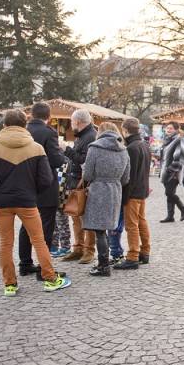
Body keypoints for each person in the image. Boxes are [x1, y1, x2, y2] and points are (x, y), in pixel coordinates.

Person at [0, 109, 71, 296]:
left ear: (4, 125)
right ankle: (50, 279)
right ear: (24, 124)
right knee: (39, 240)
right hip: (27, 201)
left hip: (2, 202)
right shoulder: (36, 148)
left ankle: (10, 284)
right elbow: (46, 179)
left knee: (5, 243)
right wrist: (32, 193)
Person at [16, 102, 66, 276]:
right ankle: (44, 268)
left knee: (26, 225)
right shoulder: (48, 133)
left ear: (31, 115)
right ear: (49, 117)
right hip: (45, 186)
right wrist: (62, 153)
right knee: (46, 227)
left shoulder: (23, 131)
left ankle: (25, 263)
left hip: (24, 184)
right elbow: (55, 160)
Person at [81, 122, 130, 277]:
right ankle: (105, 261)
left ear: (100, 132)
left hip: (98, 190)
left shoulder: (94, 148)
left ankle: (103, 266)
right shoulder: (123, 149)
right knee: (107, 227)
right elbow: (126, 178)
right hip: (115, 191)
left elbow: (87, 175)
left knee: (99, 230)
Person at [114, 117, 152, 270]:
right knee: (141, 222)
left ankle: (133, 256)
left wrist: (125, 196)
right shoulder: (144, 145)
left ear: (125, 130)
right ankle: (145, 251)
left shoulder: (131, 148)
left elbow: (130, 176)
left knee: (131, 225)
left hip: (133, 192)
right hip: (142, 190)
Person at [61, 109, 97, 264]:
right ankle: (78, 248)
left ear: (77, 122)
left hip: (84, 183)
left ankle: (89, 250)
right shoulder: (82, 135)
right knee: (76, 216)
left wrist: (66, 150)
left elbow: (84, 160)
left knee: (86, 218)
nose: (71, 124)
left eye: (71, 121)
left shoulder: (90, 136)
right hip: (75, 181)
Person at [159, 121, 184, 222]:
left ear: (176, 130)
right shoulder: (167, 140)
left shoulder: (178, 140)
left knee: (169, 193)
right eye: (167, 128)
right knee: (170, 193)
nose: (168, 130)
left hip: (174, 172)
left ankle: (183, 208)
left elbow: (179, 158)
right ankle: (170, 216)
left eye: (171, 128)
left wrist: (170, 170)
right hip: (166, 171)